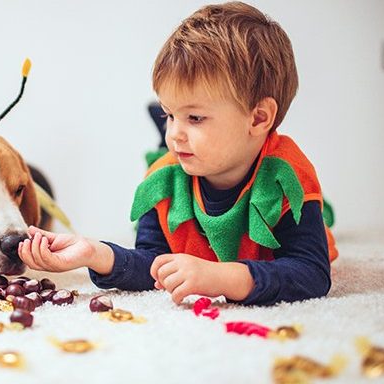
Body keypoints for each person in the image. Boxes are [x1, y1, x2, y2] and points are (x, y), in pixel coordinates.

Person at [18, 1, 338, 306]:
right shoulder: (163, 179)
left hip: (279, 216)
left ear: (258, 118)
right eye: (169, 115)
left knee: (319, 234)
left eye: (195, 117)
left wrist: (222, 277)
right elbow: (154, 265)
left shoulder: (286, 177)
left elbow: (311, 274)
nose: (175, 133)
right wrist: (93, 253)